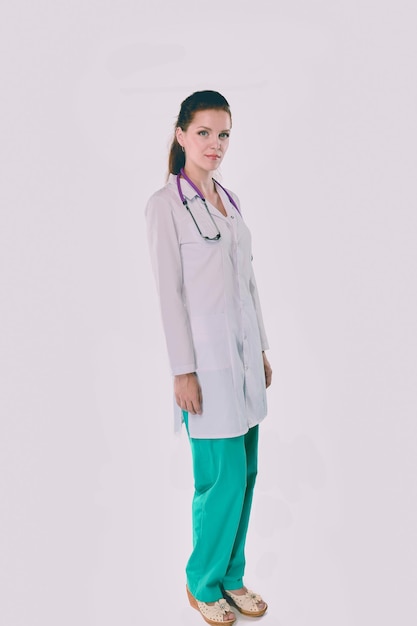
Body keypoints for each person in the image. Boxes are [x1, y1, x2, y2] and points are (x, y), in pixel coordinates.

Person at [145, 90, 272, 625]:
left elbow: (247, 281)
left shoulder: (231, 200)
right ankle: (203, 582)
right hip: (207, 367)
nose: (215, 144)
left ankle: (232, 576)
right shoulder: (165, 205)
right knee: (217, 481)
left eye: (223, 135)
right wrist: (183, 371)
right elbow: (169, 294)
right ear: (181, 135)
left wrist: (262, 347)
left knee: (246, 474)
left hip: (244, 364)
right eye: (204, 133)